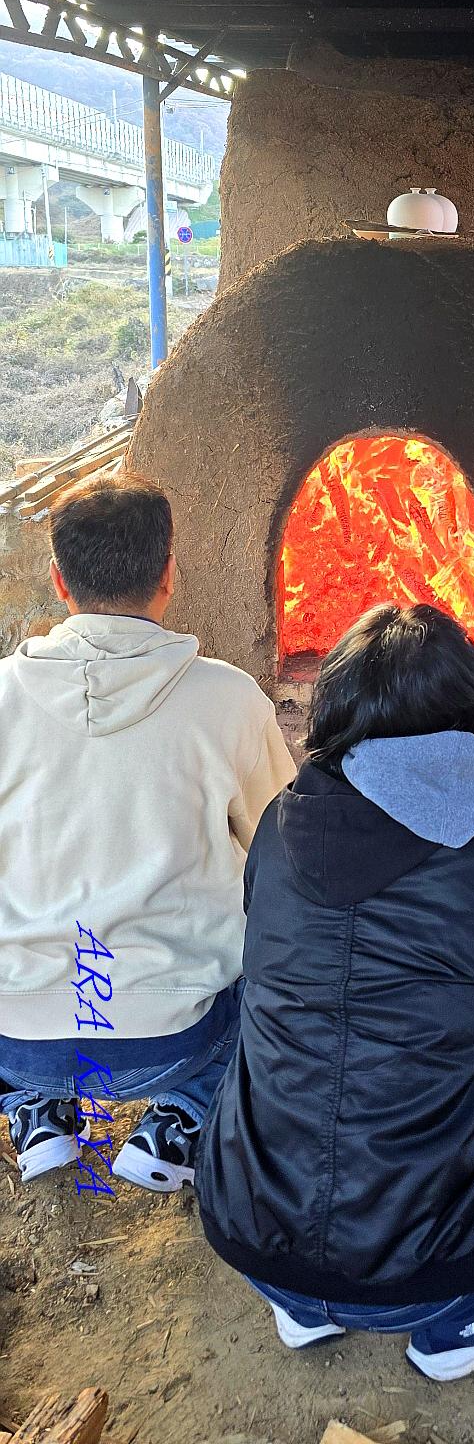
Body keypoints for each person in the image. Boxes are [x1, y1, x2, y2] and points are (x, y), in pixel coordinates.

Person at [195, 603, 474, 1381]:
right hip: (434, 1268)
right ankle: (463, 1319)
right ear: (467, 722)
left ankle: (305, 1306)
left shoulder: (279, 823)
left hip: (254, 1236)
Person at [0, 474, 296, 1189]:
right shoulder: (228, 699)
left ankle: (36, 1108)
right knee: (285, 968)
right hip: (172, 1040)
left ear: (58, 579)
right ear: (169, 574)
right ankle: (180, 1118)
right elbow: (282, 850)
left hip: (15, 1038)